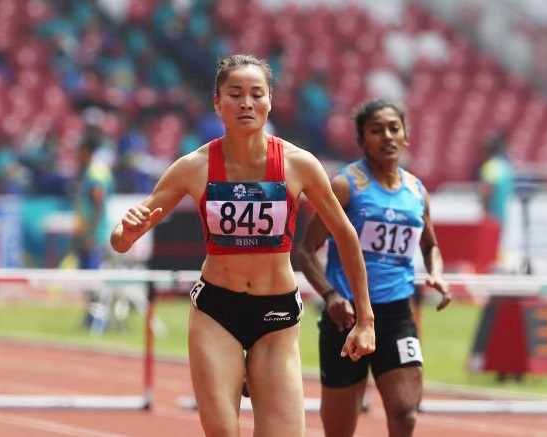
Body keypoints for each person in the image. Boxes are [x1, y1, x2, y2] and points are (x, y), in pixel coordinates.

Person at [110, 54, 375, 437]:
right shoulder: (194, 166)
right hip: (217, 312)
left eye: (256, 94)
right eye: (235, 94)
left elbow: (346, 236)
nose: (246, 103)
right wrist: (127, 232)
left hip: (277, 315)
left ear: (270, 101)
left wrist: (366, 320)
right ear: (218, 103)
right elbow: (122, 241)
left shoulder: (299, 164)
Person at [297, 99, 451, 437]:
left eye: (394, 128)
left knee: (406, 413)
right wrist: (330, 295)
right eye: (376, 130)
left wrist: (436, 273)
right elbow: (305, 250)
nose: (387, 137)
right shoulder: (345, 186)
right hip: (346, 316)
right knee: (340, 430)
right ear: (361, 140)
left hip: (397, 314)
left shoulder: (416, 191)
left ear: (406, 135)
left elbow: (430, 245)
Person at [74, 130, 115, 332]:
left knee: (93, 279)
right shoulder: (93, 170)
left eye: (79, 150)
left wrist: (90, 234)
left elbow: (98, 204)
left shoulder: (95, 173)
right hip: (89, 233)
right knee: (88, 279)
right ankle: (91, 318)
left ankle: (98, 321)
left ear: (87, 150)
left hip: (94, 236)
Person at [477, 128, 514, 227]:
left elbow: (487, 189)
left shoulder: (491, 166)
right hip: (502, 213)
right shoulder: (505, 165)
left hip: (492, 214)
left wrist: (484, 209)